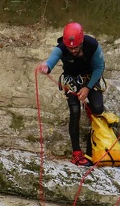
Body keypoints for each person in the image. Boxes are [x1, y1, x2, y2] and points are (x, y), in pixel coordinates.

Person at [36, 22, 106, 167]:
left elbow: (100, 66)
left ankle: (91, 148)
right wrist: (46, 67)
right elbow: (52, 60)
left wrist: (88, 88)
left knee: (98, 108)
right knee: (75, 111)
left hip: (90, 77)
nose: (73, 51)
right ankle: (76, 153)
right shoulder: (62, 47)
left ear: (81, 42)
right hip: (71, 79)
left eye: (75, 48)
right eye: (70, 48)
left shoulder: (91, 45)